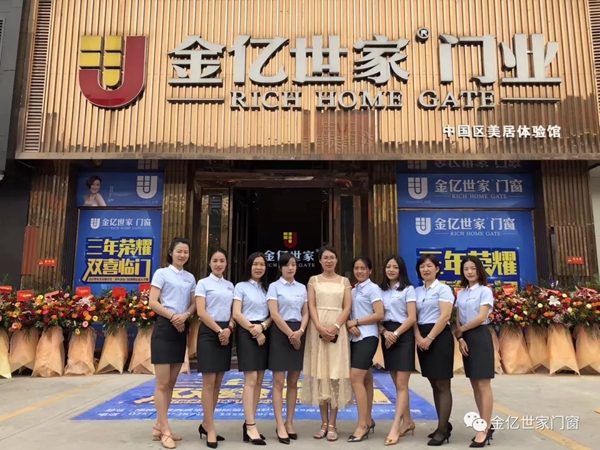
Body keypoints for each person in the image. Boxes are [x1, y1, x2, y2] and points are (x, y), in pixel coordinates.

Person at [301, 245, 353, 442]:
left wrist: (336, 327)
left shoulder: (344, 281)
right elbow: (311, 305)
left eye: (332, 257)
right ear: (320, 261)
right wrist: (319, 327)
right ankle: (323, 423)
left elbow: (347, 307)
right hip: (317, 330)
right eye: (325, 258)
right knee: (320, 374)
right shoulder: (313, 280)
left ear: (337, 260)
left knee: (335, 375)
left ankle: (333, 423)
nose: (329, 261)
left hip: (338, 330)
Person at [148, 237, 196, 449]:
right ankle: (165, 430)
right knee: (162, 383)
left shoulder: (190, 277)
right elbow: (153, 302)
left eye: (186, 252)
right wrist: (173, 317)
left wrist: (185, 316)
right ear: (171, 252)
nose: (182, 255)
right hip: (165, 329)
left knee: (172, 383)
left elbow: (194, 303)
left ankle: (159, 426)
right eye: (179, 251)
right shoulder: (161, 273)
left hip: (181, 328)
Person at [195, 247, 235, 449]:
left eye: (222, 261)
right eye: (215, 261)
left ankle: (206, 423)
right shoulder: (203, 283)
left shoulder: (230, 286)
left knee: (219, 382)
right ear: (209, 263)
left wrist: (229, 329)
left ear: (226, 264)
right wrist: (220, 330)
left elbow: (234, 312)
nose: (219, 264)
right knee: (209, 383)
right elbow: (201, 312)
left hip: (226, 333)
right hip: (209, 334)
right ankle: (210, 428)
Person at [267, 252, 309, 444]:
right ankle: (279, 424)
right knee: (278, 381)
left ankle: (290, 422)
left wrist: (300, 331)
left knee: (293, 381)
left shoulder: (302, 288)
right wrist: (291, 334)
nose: (290, 268)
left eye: (293, 264)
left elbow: (306, 312)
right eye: (286, 265)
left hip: (298, 331)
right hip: (280, 333)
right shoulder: (274, 287)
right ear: (280, 268)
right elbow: (274, 314)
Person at [413, 254, 455, 447]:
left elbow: (445, 316)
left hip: (439, 337)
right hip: (422, 336)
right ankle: (443, 424)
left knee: (442, 384)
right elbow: (413, 317)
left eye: (429, 266)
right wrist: (419, 337)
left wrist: (429, 338)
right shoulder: (416, 291)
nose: (425, 269)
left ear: (437, 269)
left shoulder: (443, 289)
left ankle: (443, 429)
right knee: (433, 383)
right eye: (422, 266)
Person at [454, 256, 495, 448]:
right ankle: (485, 423)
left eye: (473, 268)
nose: (469, 272)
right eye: (466, 269)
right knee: (474, 384)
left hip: (480, 335)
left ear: (479, 270)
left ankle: (484, 428)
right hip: (466, 338)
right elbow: (457, 317)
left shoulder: (485, 291)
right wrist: (460, 338)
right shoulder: (461, 293)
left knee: (483, 383)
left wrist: (462, 329)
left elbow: (481, 317)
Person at [232, 252, 272, 446]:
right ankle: (251, 425)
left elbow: (273, 314)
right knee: (251, 379)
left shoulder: (268, 289)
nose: (258, 267)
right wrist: (254, 330)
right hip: (247, 333)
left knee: (260, 380)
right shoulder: (241, 287)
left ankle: (250, 423)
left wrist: (262, 327)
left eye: (262, 264)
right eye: (255, 264)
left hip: (263, 332)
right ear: (249, 266)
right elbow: (237, 313)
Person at [378, 255, 417, 446]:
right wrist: (385, 332)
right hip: (387, 336)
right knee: (397, 382)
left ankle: (395, 427)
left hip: (403, 336)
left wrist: (395, 333)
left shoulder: (408, 289)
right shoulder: (381, 290)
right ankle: (408, 421)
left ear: (401, 269)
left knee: (402, 383)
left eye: (395, 267)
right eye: (388, 266)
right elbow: (377, 316)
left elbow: (412, 317)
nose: (391, 270)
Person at [345, 256, 384, 442]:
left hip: (368, 337)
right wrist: (350, 324)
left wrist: (357, 322)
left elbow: (379, 314)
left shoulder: (373, 288)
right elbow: (348, 313)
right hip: (354, 338)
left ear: (369, 270)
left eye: (363, 268)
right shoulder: (353, 290)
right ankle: (368, 419)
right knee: (366, 379)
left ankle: (361, 425)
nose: (359, 271)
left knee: (356, 378)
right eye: (356, 268)